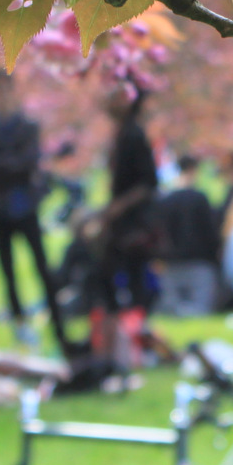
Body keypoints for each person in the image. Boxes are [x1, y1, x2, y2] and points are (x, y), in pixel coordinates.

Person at [0, 70, 71, 351]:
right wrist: (10, 165)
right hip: (0, 208)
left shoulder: (28, 127)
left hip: (25, 206)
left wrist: (3, 165)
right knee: (8, 271)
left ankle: (57, 324)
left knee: (42, 267)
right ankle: (20, 325)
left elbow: (27, 162)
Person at [85, 86, 161, 363]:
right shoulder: (122, 134)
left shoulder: (134, 134)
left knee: (134, 283)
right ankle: (121, 341)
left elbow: (148, 183)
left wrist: (115, 209)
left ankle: (135, 343)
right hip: (122, 225)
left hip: (134, 226)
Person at [155, 154, 221, 317]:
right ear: (193, 171)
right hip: (199, 264)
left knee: (174, 311)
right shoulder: (200, 199)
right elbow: (210, 232)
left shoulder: (165, 200)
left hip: (171, 264)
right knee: (199, 310)